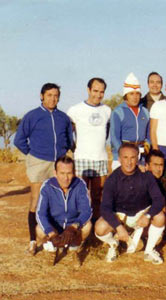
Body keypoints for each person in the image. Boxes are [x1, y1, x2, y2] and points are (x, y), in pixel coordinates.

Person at [14, 83, 73, 254]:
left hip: (59, 164)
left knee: (61, 199)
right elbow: (19, 140)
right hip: (39, 162)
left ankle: (60, 237)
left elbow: (69, 140)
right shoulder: (32, 116)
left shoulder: (63, 118)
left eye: (56, 95)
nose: (53, 99)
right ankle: (33, 240)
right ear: (41, 96)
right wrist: (33, 155)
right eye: (49, 95)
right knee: (36, 200)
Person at [95, 143, 165, 264]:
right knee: (100, 227)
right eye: (125, 157)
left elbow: (159, 200)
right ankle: (113, 244)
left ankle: (149, 251)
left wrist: (147, 215)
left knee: (160, 216)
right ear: (119, 159)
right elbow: (105, 208)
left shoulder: (146, 176)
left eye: (132, 157)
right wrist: (118, 227)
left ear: (138, 158)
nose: (129, 162)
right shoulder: (112, 179)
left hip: (141, 216)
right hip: (121, 217)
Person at [67, 78, 111, 220]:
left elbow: (106, 132)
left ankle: (95, 229)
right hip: (81, 159)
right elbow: (68, 133)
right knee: (81, 196)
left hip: (101, 159)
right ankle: (80, 227)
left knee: (98, 196)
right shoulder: (75, 110)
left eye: (101, 92)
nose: (98, 95)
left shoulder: (107, 110)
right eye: (95, 91)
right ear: (88, 90)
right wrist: (75, 148)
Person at [36, 156, 92, 252]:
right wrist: (51, 233)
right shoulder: (47, 186)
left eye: (69, 173)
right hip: (55, 226)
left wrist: (74, 226)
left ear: (74, 173)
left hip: (73, 226)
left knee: (88, 226)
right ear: (55, 173)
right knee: (40, 230)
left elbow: (87, 211)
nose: (66, 178)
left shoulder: (80, 184)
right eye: (62, 173)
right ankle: (53, 242)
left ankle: (74, 244)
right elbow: (40, 214)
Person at [110, 72, 150, 170]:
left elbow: (148, 134)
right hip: (121, 158)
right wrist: (124, 154)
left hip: (140, 157)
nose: (135, 97)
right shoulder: (118, 112)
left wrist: (147, 147)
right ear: (126, 95)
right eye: (131, 94)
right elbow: (114, 137)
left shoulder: (145, 111)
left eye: (137, 94)